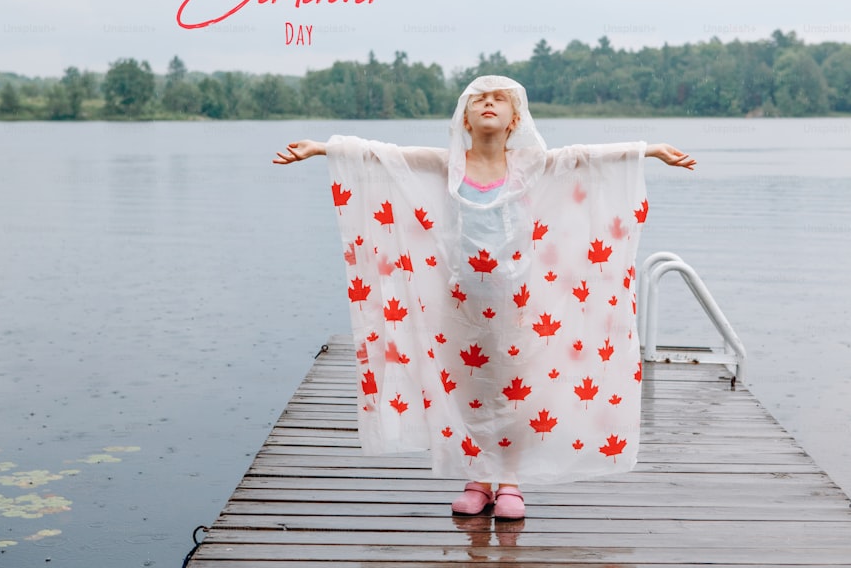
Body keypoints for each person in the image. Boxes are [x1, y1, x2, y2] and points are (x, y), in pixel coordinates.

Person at [274, 75, 694, 520]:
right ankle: (477, 478)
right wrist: (323, 147)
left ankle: (510, 482)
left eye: (499, 100)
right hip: (460, 301)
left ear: (515, 119)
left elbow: (585, 159)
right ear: (465, 118)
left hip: (520, 300)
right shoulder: (448, 165)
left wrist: (648, 150)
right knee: (469, 386)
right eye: (479, 100)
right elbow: (387, 158)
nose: (489, 104)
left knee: (515, 388)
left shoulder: (532, 165)